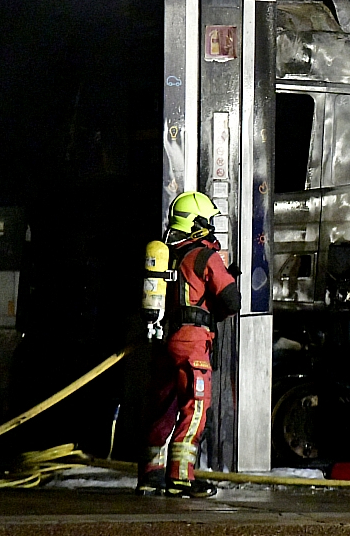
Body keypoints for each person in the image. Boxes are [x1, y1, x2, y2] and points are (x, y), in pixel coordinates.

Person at [137, 191, 240, 497]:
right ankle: (181, 477)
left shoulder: (169, 255)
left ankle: (151, 475)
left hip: (165, 341)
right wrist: (227, 279)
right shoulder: (204, 256)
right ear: (197, 223)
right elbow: (231, 301)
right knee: (195, 408)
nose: (211, 227)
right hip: (193, 342)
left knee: (163, 409)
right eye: (207, 221)